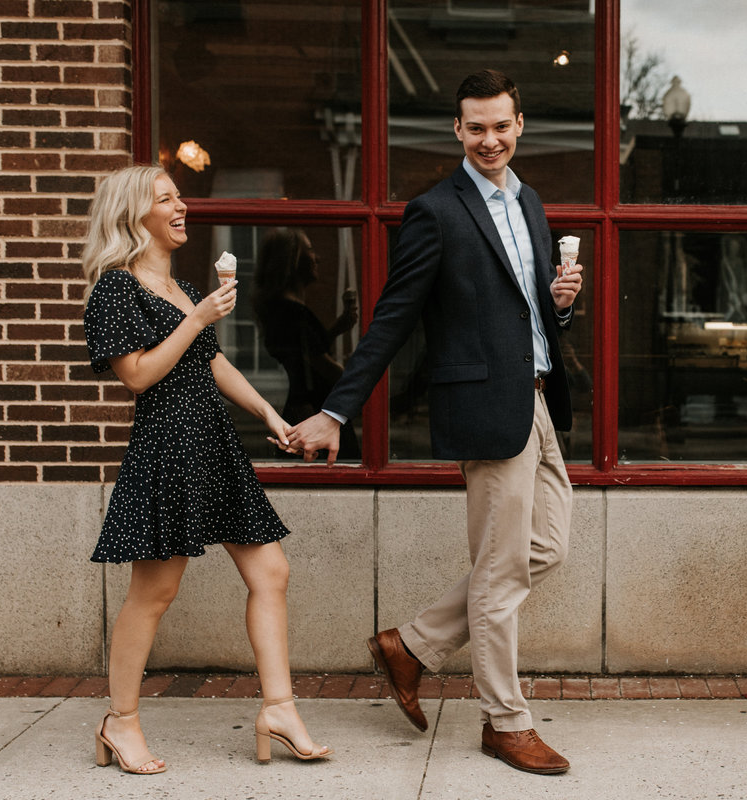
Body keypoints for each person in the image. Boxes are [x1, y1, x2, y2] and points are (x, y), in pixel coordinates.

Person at [285, 69, 584, 775]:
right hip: (485, 407)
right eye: (475, 127)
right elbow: (393, 318)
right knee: (503, 569)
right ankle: (504, 721)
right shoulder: (435, 211)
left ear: (520, 125)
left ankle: (412, 645)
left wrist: (563, 303)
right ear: (457, 131)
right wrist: (336, 410)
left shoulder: (532, 203)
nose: (489, 139)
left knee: (546, 548)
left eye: (501, 125)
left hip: (537, 399)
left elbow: (530, 311)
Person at [81, 165, 331, 774]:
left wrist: (271, 414)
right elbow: (137, 375)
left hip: (215, 445)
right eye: (164, 198)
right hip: (165, 449)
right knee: (154, 591)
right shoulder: (116, 289)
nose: (181, 205)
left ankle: (279, 708)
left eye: (178, 195)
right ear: (133, 215)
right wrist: (197, 320)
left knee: (271, 571)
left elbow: (213, 366)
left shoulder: (188, 289)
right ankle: (121, 721)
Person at [251, 227, 360, 459]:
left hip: (308, 410)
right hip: (315, 414)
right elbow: (323, 368)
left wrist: (336, 329)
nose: (317, 257)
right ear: (292, 259)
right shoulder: (292, 314)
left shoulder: (282, 310)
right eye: (309, 250)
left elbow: (306, 354)